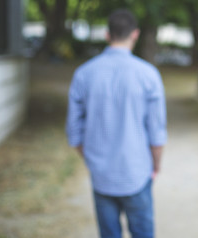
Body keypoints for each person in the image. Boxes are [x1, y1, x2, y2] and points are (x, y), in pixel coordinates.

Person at [65, 9, 167, 238]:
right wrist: (156, 165)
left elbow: (74, 131)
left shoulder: (83, 74)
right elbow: (157, 133)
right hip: (137, 171)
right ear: (136, 34)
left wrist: (92, 158)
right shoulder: (148, 75)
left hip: (101, 174)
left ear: (107, 34)